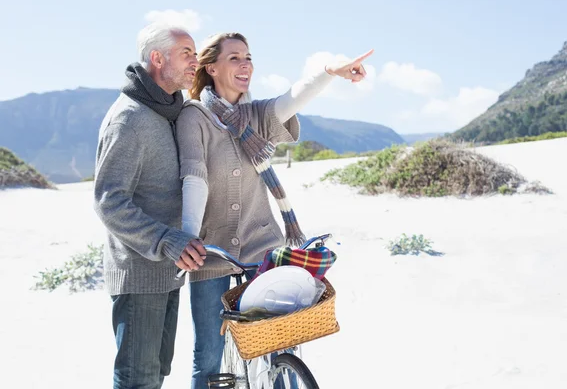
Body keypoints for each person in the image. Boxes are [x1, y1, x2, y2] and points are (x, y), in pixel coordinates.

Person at [175, 31, 372, 388]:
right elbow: (194, 177)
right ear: (212, 68)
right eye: (234, 57)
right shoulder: (194, 117)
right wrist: (189, 240)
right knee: (207, 355)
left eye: (248, 57)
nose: (244, 64)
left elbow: (291, 100)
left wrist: (329, 72)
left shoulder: (256, 116)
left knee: (280, 347)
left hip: (263, 249)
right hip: (210, 254)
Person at [93, 22, 209, 389]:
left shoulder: (170, 112)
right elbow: (109, 200)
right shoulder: (129, 118)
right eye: (186, 53)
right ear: (157, 58)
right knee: (137, 381)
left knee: (155, 375)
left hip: (168, 272)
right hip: (139, 273)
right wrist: (165, 239)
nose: (196, 61)